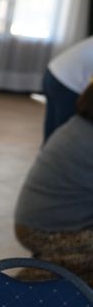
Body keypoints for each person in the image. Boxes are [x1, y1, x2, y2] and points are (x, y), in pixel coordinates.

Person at [14, 80, 93, 286]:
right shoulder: (86, 138)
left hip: (49, 222)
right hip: (46, 231)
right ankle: (32, 289)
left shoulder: (81, 125)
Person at [42, 37, 93, 142]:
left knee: (53, 131)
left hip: (53, 72)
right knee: (65, 135)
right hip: (67, 83)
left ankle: (47, 154)